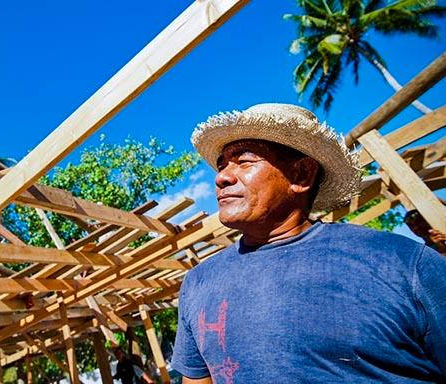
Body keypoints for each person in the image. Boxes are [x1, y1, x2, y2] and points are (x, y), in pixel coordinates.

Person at [171, 103, 446, 383]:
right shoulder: (198, 282)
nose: (221, 178)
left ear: (302, 175)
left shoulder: (403, 263)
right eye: (221, 165)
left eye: (245, 161)